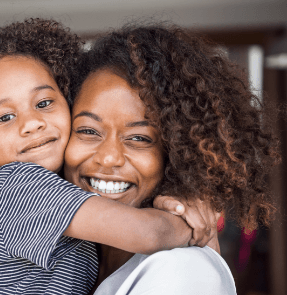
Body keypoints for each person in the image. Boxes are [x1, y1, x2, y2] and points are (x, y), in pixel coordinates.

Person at [0, 18, 217, 295]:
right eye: (5, 117)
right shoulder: (17, 187)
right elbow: (148, 234)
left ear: (67, 103)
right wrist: (191, 224)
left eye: (44, 102)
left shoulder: (68, 199)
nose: (31, 123)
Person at [65, 23, 280, 294]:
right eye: (87, 131)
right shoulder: (74, 262)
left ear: (177, 155)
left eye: (139, 138)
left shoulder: (181, 269)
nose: (108, 158)